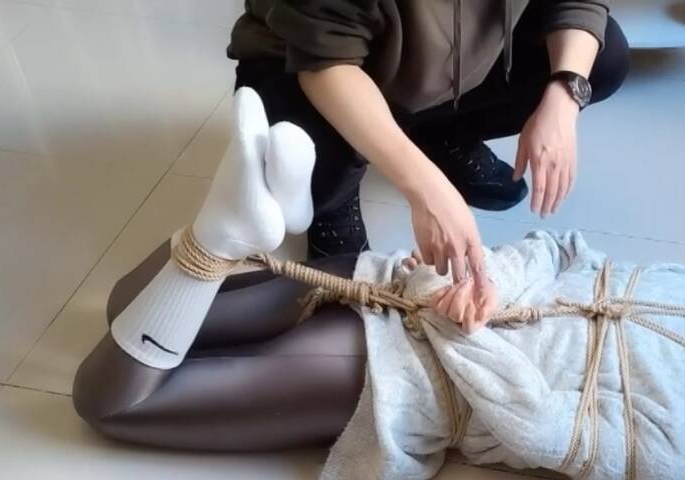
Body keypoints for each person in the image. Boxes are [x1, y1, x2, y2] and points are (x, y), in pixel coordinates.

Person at [73, 91, 685, 480]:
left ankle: (230, 232)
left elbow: (558, 251)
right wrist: (460, 321)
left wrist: (468, 283)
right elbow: (540, 428)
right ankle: (224, 235)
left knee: (128, 311)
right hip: (397, 378)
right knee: (111, 401)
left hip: (389, 275)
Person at [227, 0, 629, 280]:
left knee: (603, 56)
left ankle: (441, 134)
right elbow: (324, 63)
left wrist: (565, 91)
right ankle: (334, 202)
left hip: (435, 56)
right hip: (307, 61)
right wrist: (425, 188)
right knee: (303, 150)